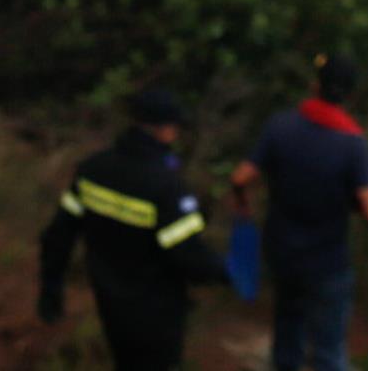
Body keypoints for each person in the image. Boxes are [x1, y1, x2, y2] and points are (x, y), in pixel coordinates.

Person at [230, 53, 368, 371]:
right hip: (327, 264)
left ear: (315, 85)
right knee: (328, 352)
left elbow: (241, 177)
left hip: (282, 254)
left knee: (287, 339)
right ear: (351, 95)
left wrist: (243, 202)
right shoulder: (353, 144)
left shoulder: (280, 126)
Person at [37, 85, 232, 371]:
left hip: (111, 304)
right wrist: (231, 272)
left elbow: (59, 234)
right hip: (157, 312)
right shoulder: (167, 186)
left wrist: (50, 287)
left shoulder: (92, 169)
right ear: (164, 130)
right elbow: (189, 256)